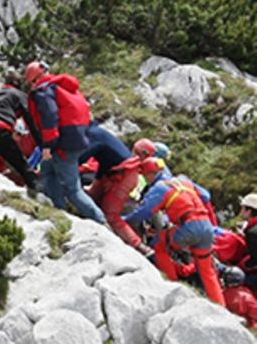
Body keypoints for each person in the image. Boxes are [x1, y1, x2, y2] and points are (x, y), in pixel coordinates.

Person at [23, 60, 105, 223]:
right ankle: (58, 208)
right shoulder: (66, 88)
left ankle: (99, 220)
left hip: (62, 144)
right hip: (79, 141)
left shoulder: (43, 91)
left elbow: (50, 116)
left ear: (34, 80)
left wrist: (48, 144)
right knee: (47, 169)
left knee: (73, 190)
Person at [126, 168, 224, 304]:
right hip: (207, 227)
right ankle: (220, 306)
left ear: (151, 175)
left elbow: (143, 213)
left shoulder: (160, 187)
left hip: (188, 227)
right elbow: (206, 196)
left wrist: (124, 220)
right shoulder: (184, 181)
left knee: (159, 246)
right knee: (207, 271)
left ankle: (172, 285)